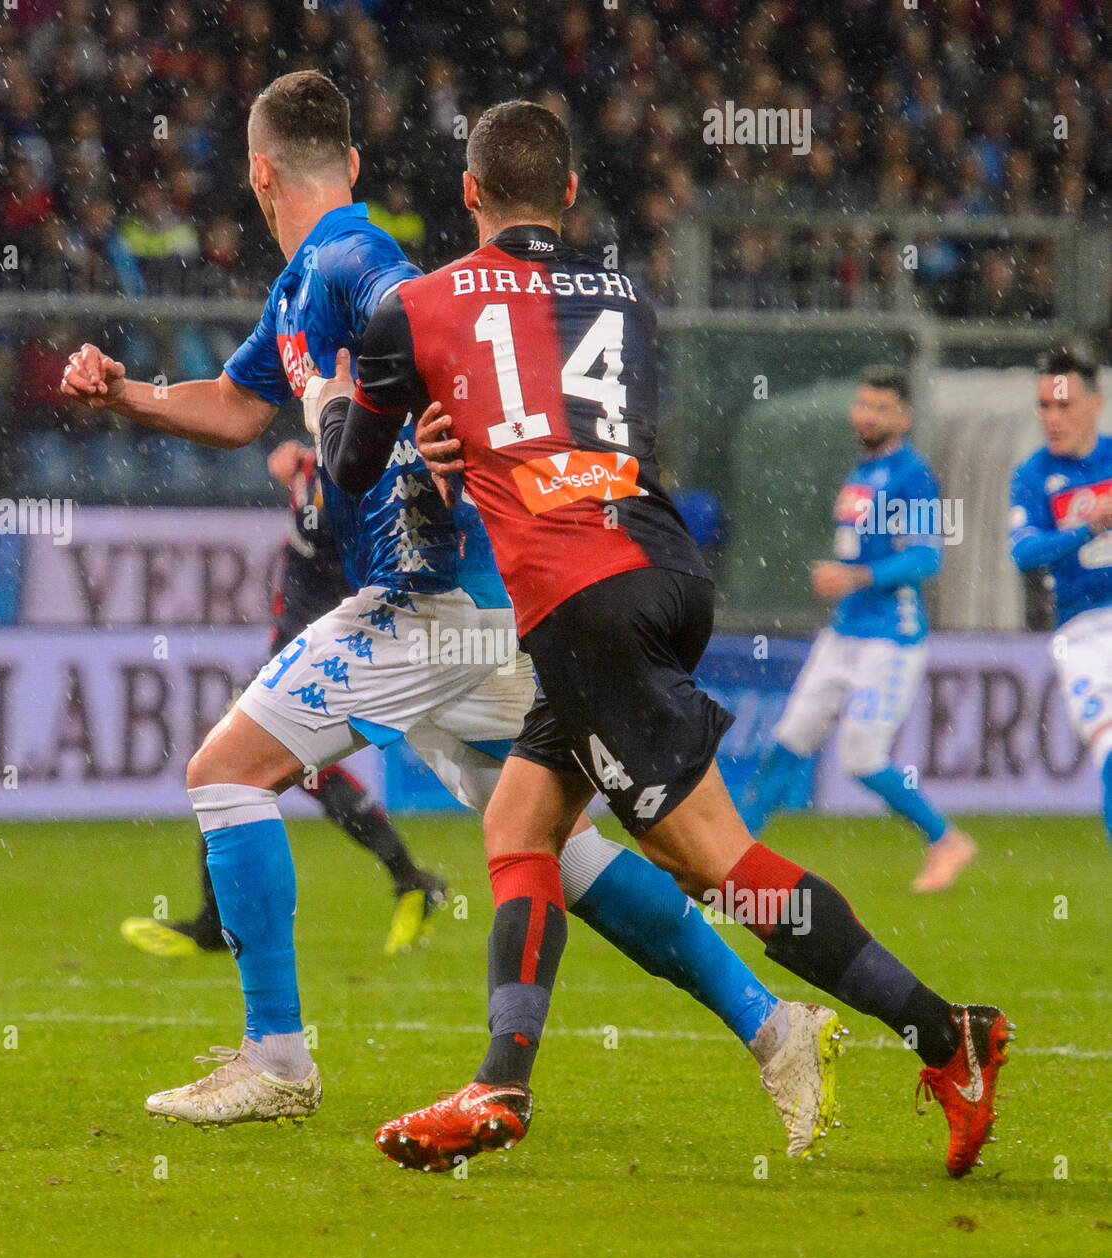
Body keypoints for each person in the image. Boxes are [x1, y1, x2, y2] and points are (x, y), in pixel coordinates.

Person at [63, 71, 843, 1156]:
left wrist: (435, 438)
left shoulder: (351, 259)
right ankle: (774, 1025)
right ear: (352, 159)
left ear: (255, 174)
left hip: (424, 598)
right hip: (487, 615)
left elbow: (429, 328)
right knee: (556, 845)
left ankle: (276, 1058)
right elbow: (242, 408)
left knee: (224, 773)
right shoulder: (304, 284)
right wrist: (128, 395)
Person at [312, 99, 1011, 1178]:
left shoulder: (414, 307)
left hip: (579, 601)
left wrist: (371, 408)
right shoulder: (624, 297)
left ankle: (947, 1036)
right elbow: (579, 419)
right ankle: (499, 1078)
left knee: (725, 870)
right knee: (519, 819)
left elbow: (350, 475)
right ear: (574, 196)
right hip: (664, 568)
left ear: (467, 192)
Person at [119, 437, 447, 961]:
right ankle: (411, 879)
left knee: (225, 767)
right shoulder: (347, 471)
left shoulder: (345, 491)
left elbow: (318, 519)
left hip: (310, 655)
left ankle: (215, 924)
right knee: (285, 773)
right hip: (301, 651)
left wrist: (305, 475)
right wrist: (303, 468)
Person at [738, 367, 976, 893]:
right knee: (788, 743)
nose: (865, 415)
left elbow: (926, 557)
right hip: (843, 633)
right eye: (862, 404)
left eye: (879, 407)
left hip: (890, 639)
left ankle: (946, 838)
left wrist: (857, 576)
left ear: (903, 417)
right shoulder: (861, 470)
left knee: (862, 759)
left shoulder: (913, 474)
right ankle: (729, 864)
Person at [1010, 346, 1112, 847]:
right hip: (1084, 633)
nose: (1052, 418)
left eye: (1064, 405)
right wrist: (1087, 528)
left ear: (1095, 404)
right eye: (1044, 406)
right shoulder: (1032, 476)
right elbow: (1025, 553)